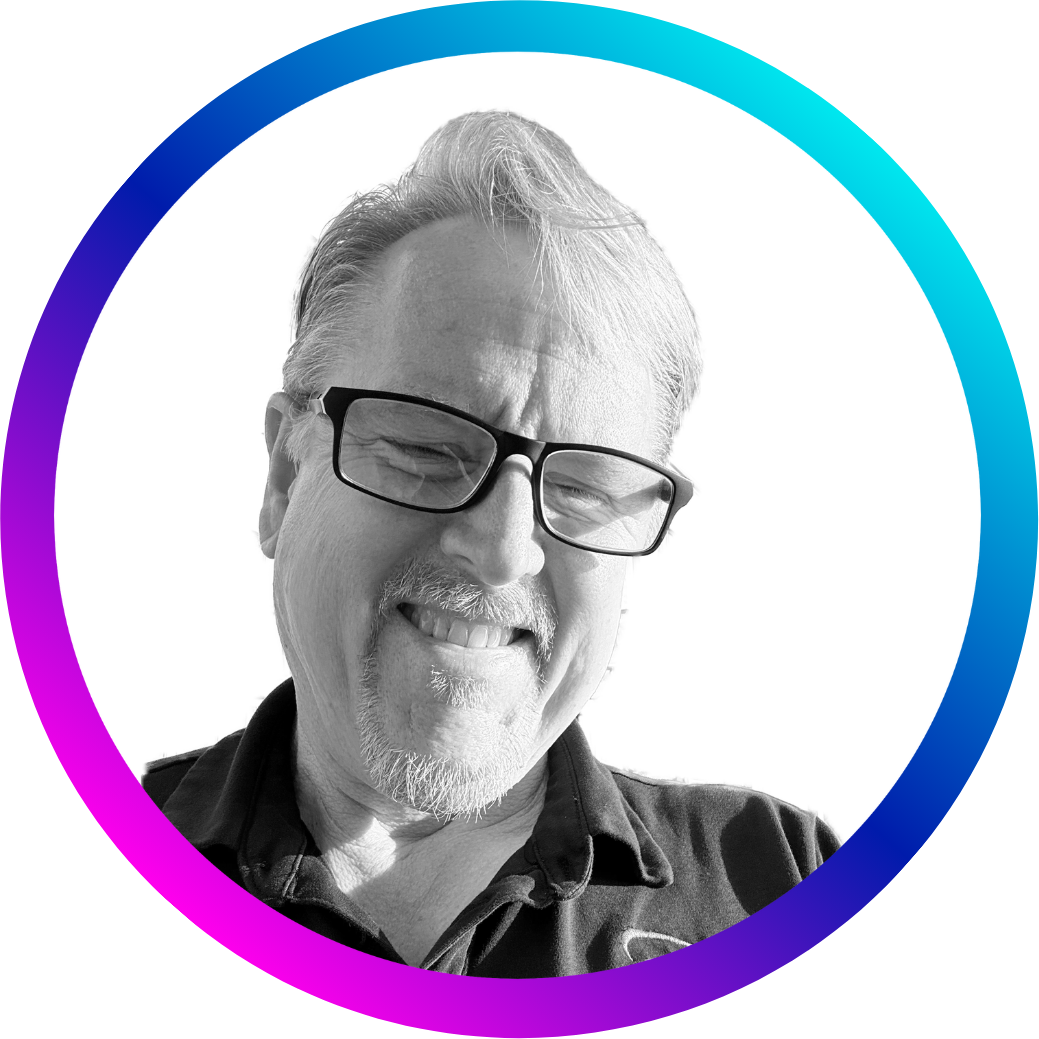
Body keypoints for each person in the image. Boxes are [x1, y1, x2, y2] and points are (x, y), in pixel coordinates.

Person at [143, 111, 839, 976]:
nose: (503, 550)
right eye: (428, 448)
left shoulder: (781, 887)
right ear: (286, 475)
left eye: (581, 487)